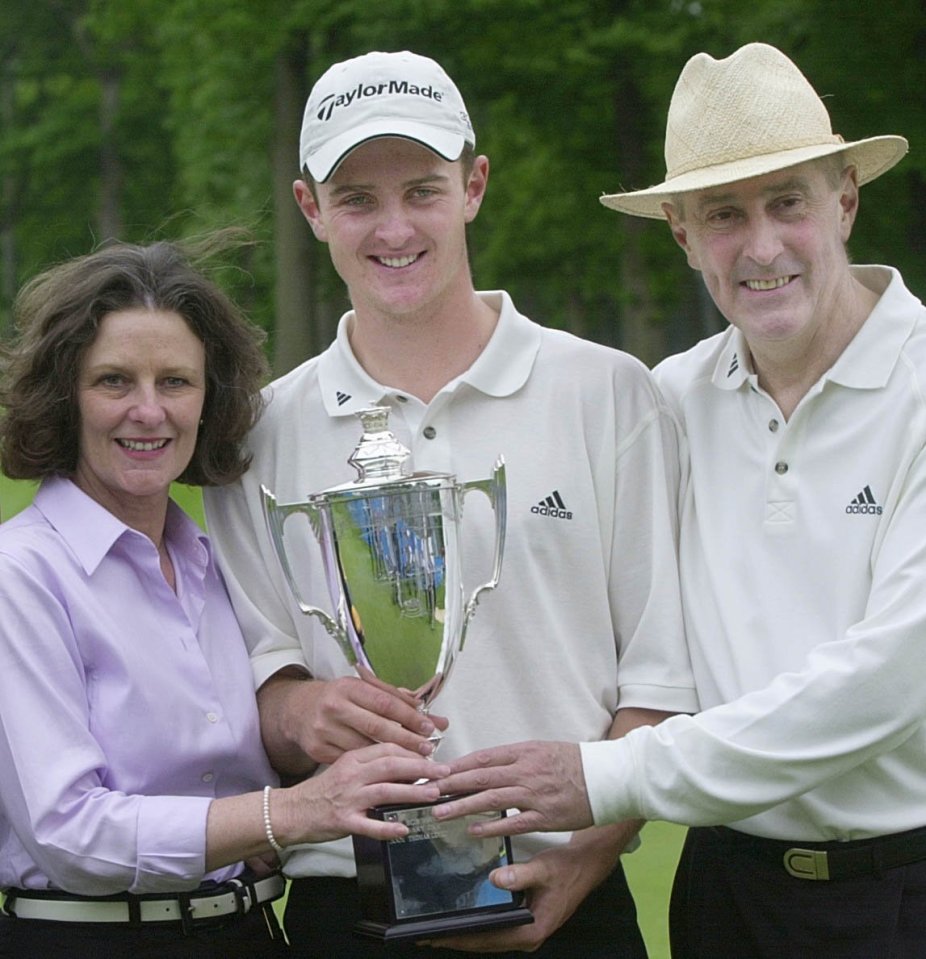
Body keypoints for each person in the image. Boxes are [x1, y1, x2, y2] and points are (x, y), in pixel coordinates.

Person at [429, 41, 926, 958]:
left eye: (790, 202)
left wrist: (608, 777)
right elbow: (603, 629)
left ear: (846, 199)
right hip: (720, 893)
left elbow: (889, 682)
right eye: (724, 214)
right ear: (682, 235)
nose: (763, 245)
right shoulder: (669, 398)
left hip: (895, 894)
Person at [202, 50, 698, 958]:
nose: (394, 228)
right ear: (311, 209)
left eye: (422, 189)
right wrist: (300, 709)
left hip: (570, 899)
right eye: (356, 199)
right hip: (341, 909)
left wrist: (586, 858)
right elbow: (259, 687)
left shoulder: (610, 395)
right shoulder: (256, 434)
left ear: (473, 186)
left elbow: (662, 684)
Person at [0, 238, 446, 959]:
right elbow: (69, 833)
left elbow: (230, 771)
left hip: (246, 931)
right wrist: (290, 812)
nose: (149, 411)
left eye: (175, 381)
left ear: (210, 400)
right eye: (114, 381)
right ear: (64, 395)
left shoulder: (214, 565)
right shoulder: (19, 576)